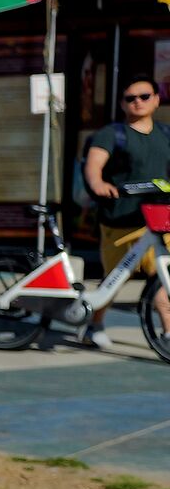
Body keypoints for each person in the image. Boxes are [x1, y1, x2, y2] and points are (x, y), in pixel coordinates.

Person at [81, 74, 170, 352]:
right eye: (130, 98)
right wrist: (98, 183)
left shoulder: (165, 134)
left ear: (156, 100)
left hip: (158, 220)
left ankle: (168, 333)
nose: (138, 102)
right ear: (122, 103)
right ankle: (95, 325)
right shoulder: (112, 134)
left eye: (144, 96)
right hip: (120, 220)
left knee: (163, 279)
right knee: (114, 280)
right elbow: (94, 164)